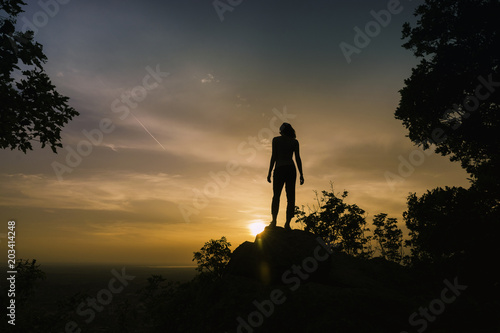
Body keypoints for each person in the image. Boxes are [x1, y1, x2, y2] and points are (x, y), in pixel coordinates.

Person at [267, 122, 304, 230]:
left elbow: (273, 156)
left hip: (279, 169)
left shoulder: (276, 140)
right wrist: (301, 173)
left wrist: (269, 172)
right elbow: (297, 158)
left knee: (276, 196)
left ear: (281, 131)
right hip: (291, 169)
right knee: (291, 197)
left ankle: (274, 221)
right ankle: (287, 223)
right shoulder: (294, 142)